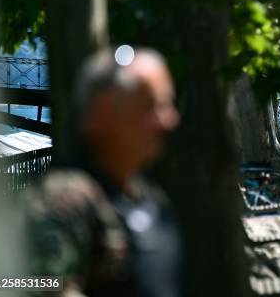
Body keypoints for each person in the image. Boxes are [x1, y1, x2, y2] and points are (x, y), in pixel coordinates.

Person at [26, 47, 182, 297]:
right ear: (102, 112)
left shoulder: (152, 199)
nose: (169, 120)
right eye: (150, 105)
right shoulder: (64, 201)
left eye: (167, 104)